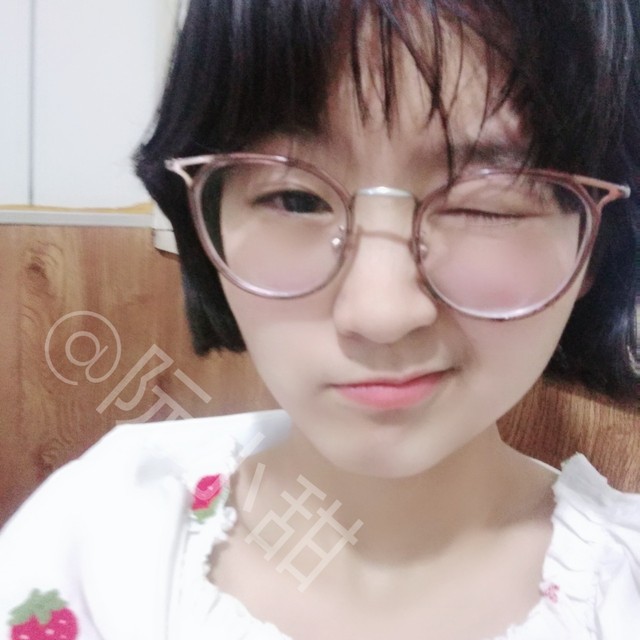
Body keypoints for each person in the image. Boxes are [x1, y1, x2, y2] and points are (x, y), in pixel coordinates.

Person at [2, 0, 639, 638]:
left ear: (596, 245)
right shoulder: (101, 537)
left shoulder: (621, 590)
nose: (381, 313)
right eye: (294, 198)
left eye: (486, 206)